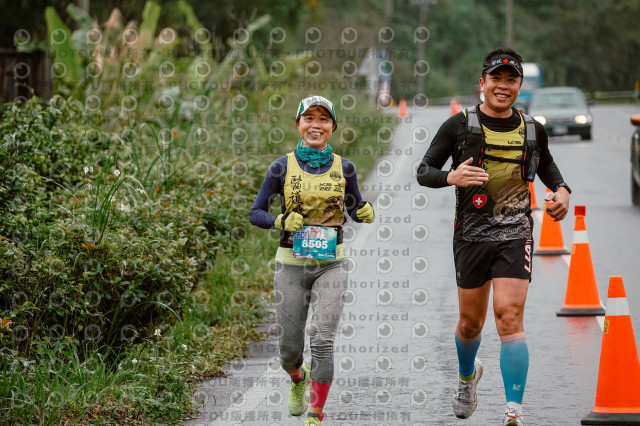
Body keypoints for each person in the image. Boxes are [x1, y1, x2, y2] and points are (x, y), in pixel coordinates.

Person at [416, 48, 571, 426]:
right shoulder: (458, 126)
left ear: (519, 85)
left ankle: (513, 411)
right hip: (471, 235)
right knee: (471, 323)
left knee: (509, 315)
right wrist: (450, 177)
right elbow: (424, 170)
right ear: (481, 83)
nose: (503, 86)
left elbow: (547, 164)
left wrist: (562, 190)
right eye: (496, 79)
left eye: (511, 79)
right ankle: (467, 378)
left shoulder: (532, 128)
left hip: (515, 234)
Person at [249, 95, 375, 425]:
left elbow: (355, 208)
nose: (315, 125)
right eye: (309, 118)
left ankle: (316, 414)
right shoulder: (281, 166)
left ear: (333, 127)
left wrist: (364, 211)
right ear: (298, 124)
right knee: (289, 351)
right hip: (290, 264)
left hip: (332, 263)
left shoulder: (345, 168)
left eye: (323, 119)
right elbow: (256, 212)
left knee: (322, 339)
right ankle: (297, 378)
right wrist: (279, 221)